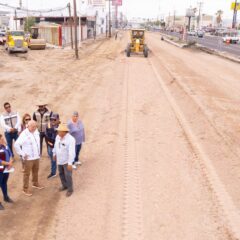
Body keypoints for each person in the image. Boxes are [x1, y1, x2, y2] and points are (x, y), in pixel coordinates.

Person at [14, 120, 44, 197]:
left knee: (35, 171)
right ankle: (25, 188)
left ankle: (35, 183)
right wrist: (23, 154)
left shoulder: (36, 131)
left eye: (35, 126)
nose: (34, 128)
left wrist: (38, 153)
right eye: (32, 127)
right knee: (26, 174)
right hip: (28, 159)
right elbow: (16, 145)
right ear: (28, 126)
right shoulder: (24, 134)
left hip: (36, 157)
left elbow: (37, 143)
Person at [53, 123, 75, 197]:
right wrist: (54, 154)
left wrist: (70, 163)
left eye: (59, 131)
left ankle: (70, 189)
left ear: (64, 132)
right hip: (59, 160)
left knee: (68, 175)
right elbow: (55, 146)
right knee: (61, 174)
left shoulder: (71, 139)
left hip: (66, 161)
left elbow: (71, 152)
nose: (58, 132)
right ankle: (64, 185)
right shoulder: (57, 137)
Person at [0, 134, 14, 210]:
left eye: (3, 138)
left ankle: (6, 197)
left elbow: (11, 154)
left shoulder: (5, 145)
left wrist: (10, 162)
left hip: (6, 169)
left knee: (4, 183)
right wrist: (8, 163)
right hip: (0, 169)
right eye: (1, 139)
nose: (3, 140)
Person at [45, 113, 60, 179]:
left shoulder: (61, 126)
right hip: (50, 146)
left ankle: (57, 172)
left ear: (58, 119)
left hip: (59, 147)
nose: (52, 121)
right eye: (51, 119)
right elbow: (47, 135)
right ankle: (54, 172)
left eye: (54, 119)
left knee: (61, 159)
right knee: (52, 159)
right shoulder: (48, 125)